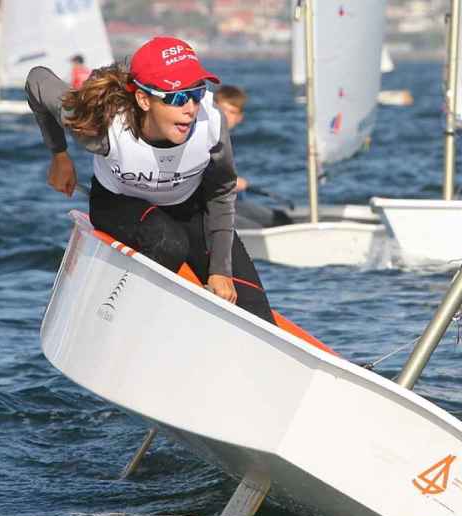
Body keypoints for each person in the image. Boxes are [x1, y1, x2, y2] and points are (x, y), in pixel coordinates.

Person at [25, 36, 275, 324]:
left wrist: (220, 270)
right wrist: (59, 155)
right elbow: (36, 79)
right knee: (168, 242)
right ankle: (114, 314)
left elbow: (220, 192)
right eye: (177, 97)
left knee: (254, 307)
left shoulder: (212, 123)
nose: (191, 108)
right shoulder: (102, 126)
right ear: (144, 99)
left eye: (196, 92)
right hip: (119, 204)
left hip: (186, 209)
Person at [213, 85, 293, 228]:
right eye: (221, 109)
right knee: (256, 230)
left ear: (239, 118)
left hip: (231, 203)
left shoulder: (227, 140)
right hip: (209, 208)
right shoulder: (204, 137)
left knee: (281, 219)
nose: (224, 115)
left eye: (231, 112)